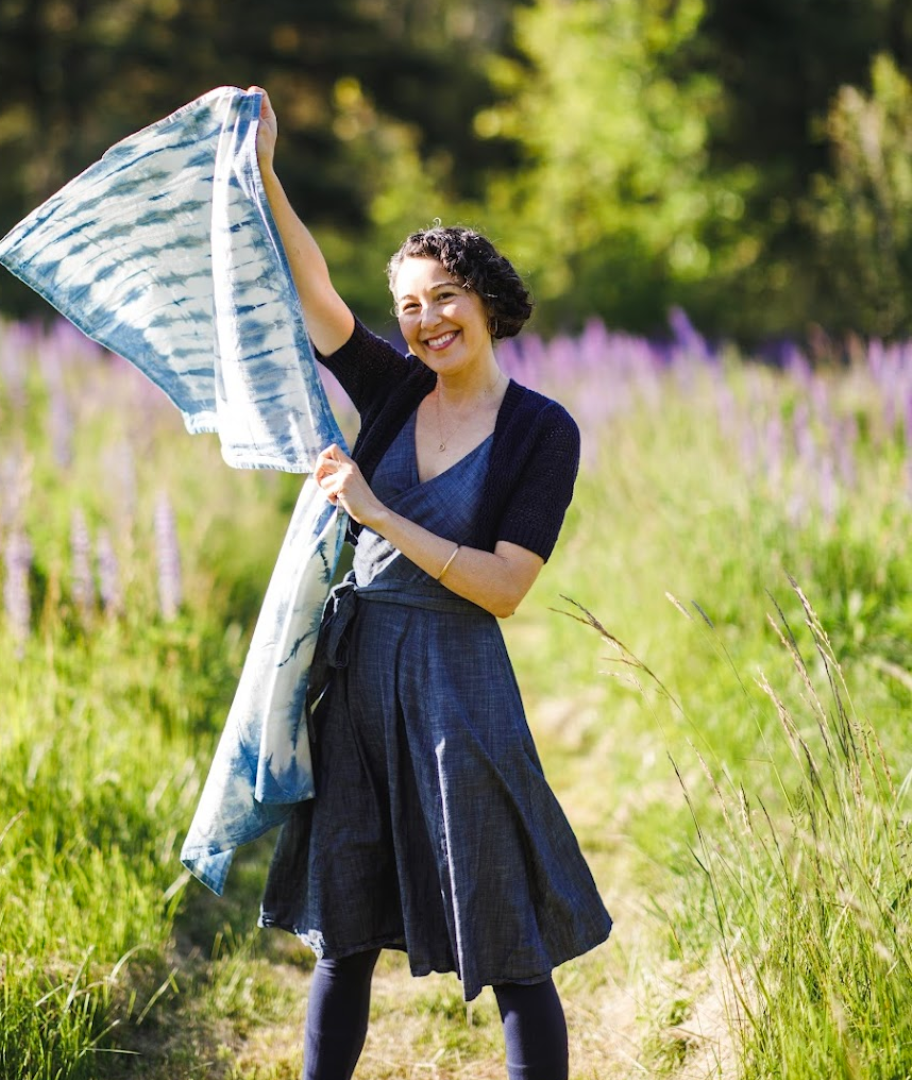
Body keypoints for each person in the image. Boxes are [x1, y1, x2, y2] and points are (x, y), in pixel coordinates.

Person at [249, 86, 611, 1080]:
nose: (424, 321)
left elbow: (503, 588)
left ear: (486, 299)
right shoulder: (396, 388)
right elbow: (317, 293)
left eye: (442, 296)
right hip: (358, 680)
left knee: (509, 939)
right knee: (344, 931)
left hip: (460, 687)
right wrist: (267, 171)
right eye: (408, 305)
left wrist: (375, 512)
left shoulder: (544, 431)